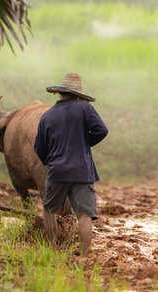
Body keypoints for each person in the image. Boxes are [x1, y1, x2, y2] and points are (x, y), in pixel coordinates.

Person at [34, 72, 108, 256]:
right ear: (77, 94)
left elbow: (39, 147)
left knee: (49, 211)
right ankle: (84, 255)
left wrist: (49, 161)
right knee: (84, 215)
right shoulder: (85, 108)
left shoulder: (47, 115)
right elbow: (102, 130)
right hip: (83, 171)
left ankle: (51, 251)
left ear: (61, 93)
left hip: (57, 171)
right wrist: (84, 143)